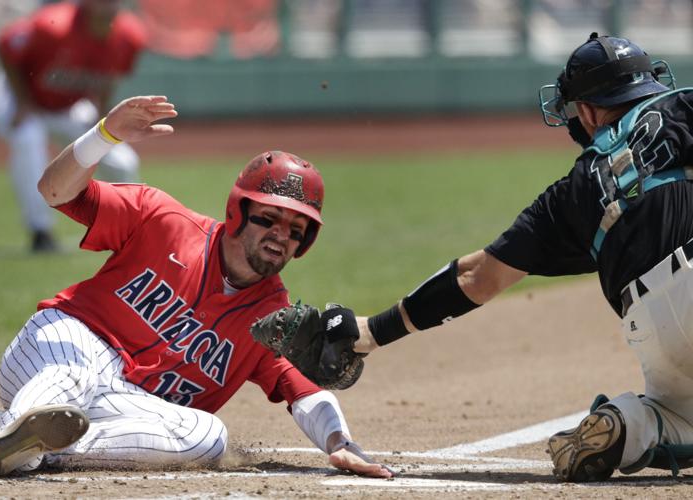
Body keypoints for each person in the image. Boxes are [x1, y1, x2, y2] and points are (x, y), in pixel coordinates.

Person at [281, 33, 693, 482]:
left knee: (679, 417)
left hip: (652, 330)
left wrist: (368, 332)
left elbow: (476, 277)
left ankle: (631, 424)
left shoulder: (568, 196)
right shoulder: (682, 106)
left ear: (589, 112)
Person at [0, 95, 392, 479]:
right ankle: (16, 429)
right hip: (64, 346)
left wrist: (339, 443)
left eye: (297, 229)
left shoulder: (270, 319)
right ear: (238, 212)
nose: (281, 235)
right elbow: (54, 191)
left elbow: (303, 392)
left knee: (208, 435)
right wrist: (104, 135)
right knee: (74, 375)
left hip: (120, 407)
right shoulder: (160, 219)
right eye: (268, 218)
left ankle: (21, 448)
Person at [0, 0, 146, 252]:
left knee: (122, 161)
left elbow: (108, 77)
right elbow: (6, 44)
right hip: (16, 96)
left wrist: (104, 118)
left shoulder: (130, 36)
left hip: (67, 105)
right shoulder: (54, 25)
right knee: (28, 139)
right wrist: (23, 103)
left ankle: (133, 228)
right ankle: (40, 232)